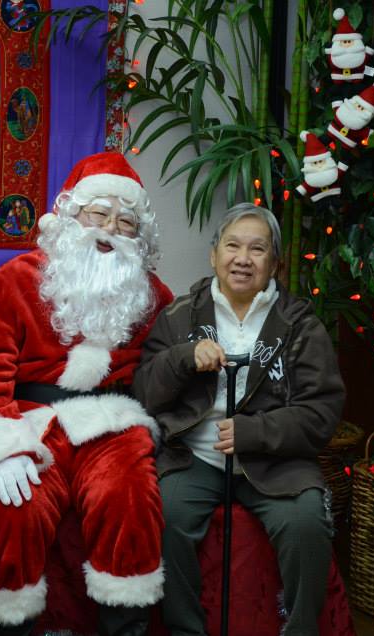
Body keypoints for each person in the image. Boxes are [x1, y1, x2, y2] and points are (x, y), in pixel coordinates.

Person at [0, 152, 172, 636]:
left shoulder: (154, 295)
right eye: (99, 214)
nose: (110, 229)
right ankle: (7, 627)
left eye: (126, 222)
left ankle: (126, 626)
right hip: (30, 419)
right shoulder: (15, 280)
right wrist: (0, 447)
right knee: (14, 508)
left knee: (128, 495)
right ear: (71, 216)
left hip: (114, 423)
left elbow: (169, 374)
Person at [134, 203, 345, 636]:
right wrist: (182, 358)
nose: (242, 259)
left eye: (257, 249)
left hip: (276, 461)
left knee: (306, 523)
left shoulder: (300, 325)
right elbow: (145, 393)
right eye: (232, 246)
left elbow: (321, 412)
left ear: (275, 263)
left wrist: (255, 432)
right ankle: (185, 631)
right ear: (214, 255)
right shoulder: (179, 316)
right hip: (194, 456)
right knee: (166, 515)